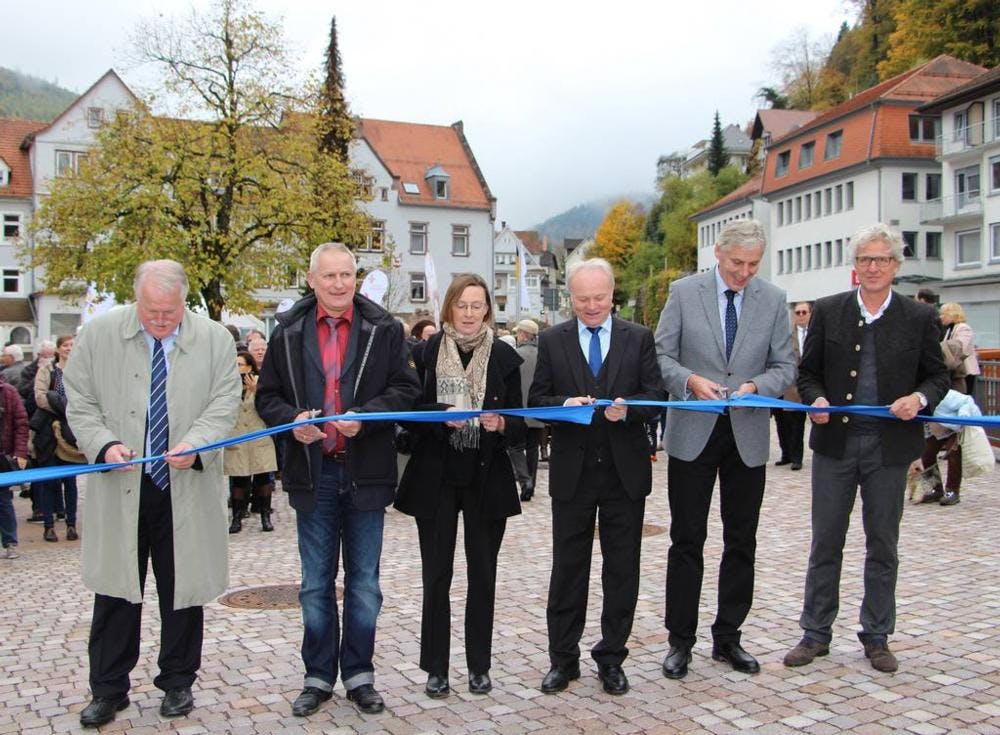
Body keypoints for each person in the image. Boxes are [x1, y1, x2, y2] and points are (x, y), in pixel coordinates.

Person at [63, 260, 241, 727]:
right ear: (136, 299)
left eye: (170, 311)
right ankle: (108, 688)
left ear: (184, 301)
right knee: (116, 589)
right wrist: (103, 443)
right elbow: (78, 398)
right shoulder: (99, 334)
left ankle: (178, 681)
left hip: (184, 482)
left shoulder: (215, 339)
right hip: (122, 481)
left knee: (183, 588)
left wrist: (196, 443)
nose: (161, 320)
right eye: (151, 311)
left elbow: (226, 401)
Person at [255, 242, 420, 718]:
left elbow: (406, 391)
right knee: (314, 584)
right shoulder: (287, 332)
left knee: (365, 583)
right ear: (312, 280)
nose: (339, 284)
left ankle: (360, 675)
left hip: (366, 472)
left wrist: (366, 416)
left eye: (346, 274)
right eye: (329, 276)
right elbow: (268, 399)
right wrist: (293, 420)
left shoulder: (383, 328)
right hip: (314, 472)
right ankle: (318, 675)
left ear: (355, 276)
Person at [783, 223, 949, 674]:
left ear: (895, 265)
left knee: (883, 545)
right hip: (836, 445)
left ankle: (877, 635)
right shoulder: (829, 311)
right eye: (864, 260)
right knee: (825, 541)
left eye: (881, 259)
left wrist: (918, 400)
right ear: (854, 266)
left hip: (889, 450)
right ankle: (815, 632)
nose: (872, 267)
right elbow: (808, 372)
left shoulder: (918, 318)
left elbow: (938, 377)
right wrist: (815, 398)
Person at [654, 219, 795, 679]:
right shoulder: (683, 292)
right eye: (737, 263)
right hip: (694, 430)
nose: (744, 273)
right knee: (686, 539)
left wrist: (757, 385)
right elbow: (661, 357)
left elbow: (786, 364)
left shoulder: (773, 299)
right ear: (719, 253)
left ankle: (728, 636)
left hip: (747, 435)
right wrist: (690, 382)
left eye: (753, 265)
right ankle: (680, 640)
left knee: (741, 541)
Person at [529, 258, 665, 696]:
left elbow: (656, 396)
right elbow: (537, 400)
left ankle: (612, 657)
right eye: (583, 299)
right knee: (568, 568)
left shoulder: (639, 338)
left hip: (625, 472)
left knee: (622, 569)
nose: (592, 306)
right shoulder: (552, 340)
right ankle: (562, 659)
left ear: (613, 294)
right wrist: (565, 405)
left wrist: (631, 410)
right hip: (573, 473)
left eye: (599, 298)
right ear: (571, 298)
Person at [395, 274, 524, 698]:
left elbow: (523, 423)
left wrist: (502, 422)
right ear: (449, 308)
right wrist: (438, 414)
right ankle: (436, 667)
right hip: (436, 477)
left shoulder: (506, 356)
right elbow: (409, 408)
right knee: (437, 576)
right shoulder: (426, 352)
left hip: (486, 478)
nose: (469, 313)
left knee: (482, 575)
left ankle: (478, 666)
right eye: (462, 305)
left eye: (477, 305)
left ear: (487, 309)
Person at [224, 350, 277, 533]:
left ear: (249, 366)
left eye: (240, 365)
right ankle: (237, 517)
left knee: (263, 479)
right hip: (237, 438)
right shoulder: (228, 384)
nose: (237, 368)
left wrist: (257, 392)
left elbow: (270, 409)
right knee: (239, 480)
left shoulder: (260, 382)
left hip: (258, 436)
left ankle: (265, 516)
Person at [34, 335, 79, 542]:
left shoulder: (81, 369)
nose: (69, 348)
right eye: (66, 345)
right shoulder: (47, 371)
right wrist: (61, 407)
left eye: (72, 345)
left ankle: (71, 524)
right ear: (59, 349)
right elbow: (40, 396)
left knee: (70, 480)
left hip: (71, 428)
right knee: (49, 480)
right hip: (49, 429)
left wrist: (72, 410)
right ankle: (49, 526)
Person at [774, 301, 812, 470]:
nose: (801, 315)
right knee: (785, 423)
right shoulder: (787, 335)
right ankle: (787, 455)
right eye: (798, 312)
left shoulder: (816, 333)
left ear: (810, 314)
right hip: (789, 386)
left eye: (804, 312)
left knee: (800, 424)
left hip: (810, 383)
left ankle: (798, 457)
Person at [508, 319, 542, 501]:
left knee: (515, 447)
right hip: (538, 409)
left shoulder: (514, 355)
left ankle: (525, 479)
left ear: (523, 334)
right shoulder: (543, 355)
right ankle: (532, 483)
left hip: (518, 410)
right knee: (533, 447)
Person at [0, 369, 29, 559]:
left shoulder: (8, 392)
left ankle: (10, 542)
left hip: (2, 456)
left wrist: (20, 453)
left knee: (3, 501)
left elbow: (21, 423)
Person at [939, 302, 980, 397]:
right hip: (955, 372)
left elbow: (960, 347)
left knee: (964, 398)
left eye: (943, 314)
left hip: (965, 372)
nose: (941, 317)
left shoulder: (963, 328)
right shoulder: (948, 330)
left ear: (952, 314)